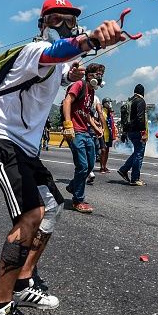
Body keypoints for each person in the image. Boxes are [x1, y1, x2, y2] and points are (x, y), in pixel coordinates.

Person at [0, 0, 124, 315]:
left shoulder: (55, 63)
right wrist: (93, 40)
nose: (66, 25)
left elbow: (56, 71)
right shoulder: (35, 50)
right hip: (1, 140)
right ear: (44, 23)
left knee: (52, 208)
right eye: (58, 19)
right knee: (30, 215)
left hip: (25, 149)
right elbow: (57, 53)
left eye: (71, 20)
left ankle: (24, 282)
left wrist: (70, 71)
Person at [63, 63, 105, 212]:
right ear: (90, 75)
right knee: (82, 166)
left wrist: (96, 127)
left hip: (86, 132)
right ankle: (78, 200)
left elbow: (85, 113)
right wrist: (68, 125)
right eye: (98, 74)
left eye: (102, 75)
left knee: (91, 164)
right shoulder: (79, 85)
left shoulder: (91, 92)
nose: (100, 78)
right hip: (75, 131)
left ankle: (73, 186)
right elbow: (67, 101)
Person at [117, 84, 148, 186]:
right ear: (142, 92)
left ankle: (124, 169)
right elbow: (140, 118)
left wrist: (124, 133)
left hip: (130, 132)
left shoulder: (130, 101)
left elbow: (126, 118)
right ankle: (135, 178)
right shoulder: (140, 101)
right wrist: (143, 132)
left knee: (136, 153)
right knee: (139, 154)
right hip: (138, 131)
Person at [99, 97, 117, 173]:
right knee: (103, 150)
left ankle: (105, 166)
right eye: (108, 102)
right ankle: (101, 167)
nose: (109, 104)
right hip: (103, 133)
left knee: (107, 151)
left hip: (108, 134)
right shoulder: (102, 112)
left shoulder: (109, 113)